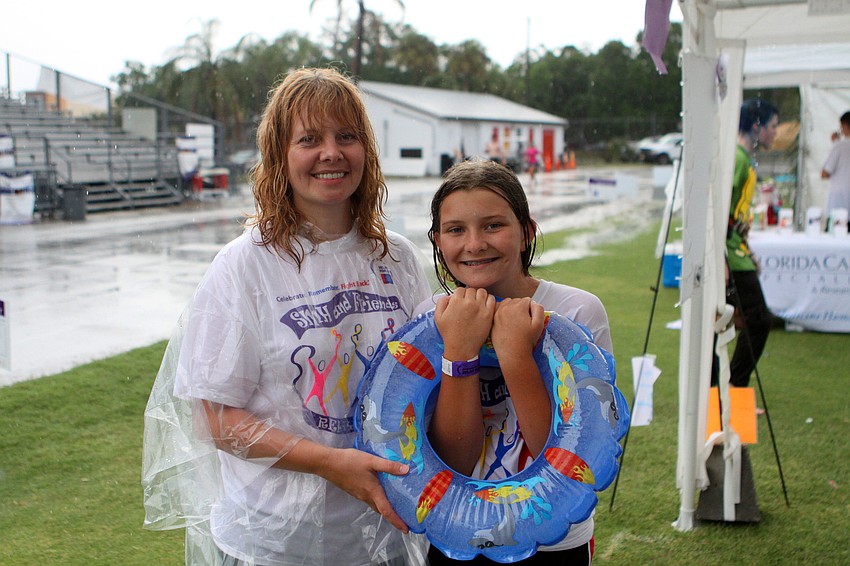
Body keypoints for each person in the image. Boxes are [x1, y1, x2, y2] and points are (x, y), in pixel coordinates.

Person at [142, 67, 431, 565]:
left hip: (382, 536)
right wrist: (330, 463)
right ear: (280, 155)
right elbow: (214, 417)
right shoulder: (244, 264)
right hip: (271, 544)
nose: (331, 153)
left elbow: (425, 380)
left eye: (347, 136)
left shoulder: (397, 257)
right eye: (309, 139)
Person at [415, 158, 612, 565]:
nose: (474, 243)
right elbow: (454, 459)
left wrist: (516, 355)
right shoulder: (429, 319)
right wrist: (460, 353)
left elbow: (565, 462)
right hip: (457, 537)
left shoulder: (577, 312)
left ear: (526, 233)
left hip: (554, 540)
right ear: (437, 240)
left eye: (493, 225)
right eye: (456, 230)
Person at [714, 99, 778, 389]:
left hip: (737, 253)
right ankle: (732, 388)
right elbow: (718, 213)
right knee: (756, 321)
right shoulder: (737, 159)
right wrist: (723, 260)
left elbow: (734, 216)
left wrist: (748, 250)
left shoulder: (742, 158)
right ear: (757, 126)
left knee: (731, 324)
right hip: (729, 258)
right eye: (773, 126)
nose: (775, 133)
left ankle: (726, 389)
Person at [821, 111, 850, 221]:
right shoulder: (839, 145)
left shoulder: (839, 146)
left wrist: (835, 143)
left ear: (845, 126)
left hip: (839, 204)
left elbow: (825, 173)